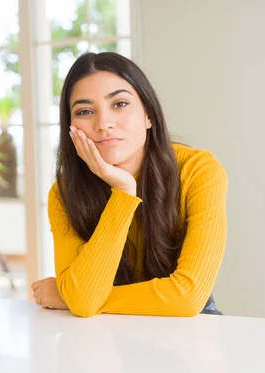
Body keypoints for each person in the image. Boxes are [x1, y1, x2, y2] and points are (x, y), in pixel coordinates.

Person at [30, 52, 228, 318]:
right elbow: (83, 303)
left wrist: (72, 296)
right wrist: (123, 192)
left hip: (189, 333)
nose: (103, 124)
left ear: (148, 114)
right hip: (106, 333)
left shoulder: (198, 170)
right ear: (71, 126)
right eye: (85, 111)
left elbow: (188, 298)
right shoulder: (65, 192)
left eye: (120, 103)